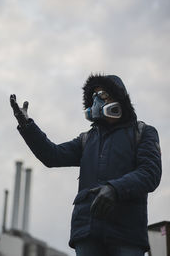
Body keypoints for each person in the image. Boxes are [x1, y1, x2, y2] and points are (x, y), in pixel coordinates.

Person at [10, 74, 162, 256]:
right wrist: (27, 126)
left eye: (103, 95)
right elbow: (52, 156)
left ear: (119, 97)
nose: (96, 100)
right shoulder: (87, 139)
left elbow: (150, 173)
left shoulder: (143, 133)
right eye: (94, 97)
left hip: (127, 234)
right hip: (87, 233)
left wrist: (115, 189)